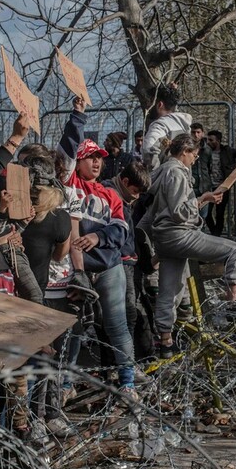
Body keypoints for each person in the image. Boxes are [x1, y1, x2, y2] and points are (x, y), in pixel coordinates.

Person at [57, 96, 137, 395]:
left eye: (100, 157)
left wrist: (98, 237)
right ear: (77, 162)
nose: (96, 162)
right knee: (73, 330)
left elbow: (120, 230)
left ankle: (127, 381)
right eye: (90, 157)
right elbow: (66, 147)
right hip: (74, 270)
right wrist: (77, 115)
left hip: (108, 268)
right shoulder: (68, 186)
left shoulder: (110, 194)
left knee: (117, 325)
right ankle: (66, 384)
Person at [143, 134, 236, 358]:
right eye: (194, 155)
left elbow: (155, 212)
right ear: (184, 152)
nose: (195, 160)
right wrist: (203, 199)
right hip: (180, 235)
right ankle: (233, 300)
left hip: (164, 239)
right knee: (235, 250)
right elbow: (180, 212)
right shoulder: (177, 172)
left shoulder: (160, 172)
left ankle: (166, 342)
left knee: (169, 292)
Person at [102, 161, 153, 360]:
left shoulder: (120, 195)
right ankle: (125, 363)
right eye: (134, 191)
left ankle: (125, 362)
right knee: (124, 316)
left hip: (126, 260)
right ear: (124, 181)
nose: (136, 196)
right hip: (119, 262)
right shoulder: (110, 195)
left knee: (128, 314)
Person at [205, 129, 236, 237]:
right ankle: (213, 232)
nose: (208, 142)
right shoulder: (205, 152)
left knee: (220, 213)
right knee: (206, 212)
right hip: (208, 186)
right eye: (207, 140)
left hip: (222, 186)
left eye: (211, 140)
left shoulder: (227, 151)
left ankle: (216, 235)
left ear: (218, 141)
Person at [141, 84, 192, 171]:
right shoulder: (184, 125)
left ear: (159, 105)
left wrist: (154, 175)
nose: (148, 106)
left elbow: (148, 150)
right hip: (183, 176)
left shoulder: (159, 126)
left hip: (164, 181)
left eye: (151, 102)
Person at [189, 122, 213, 219]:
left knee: (203, 217)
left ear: (202, 133)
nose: (196, 135)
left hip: (204, 187)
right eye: (193, 132)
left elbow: (210, 167)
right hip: (190, 188)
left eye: (198, 132)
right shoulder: (186, 149)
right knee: (190, 217)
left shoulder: (207, 150)